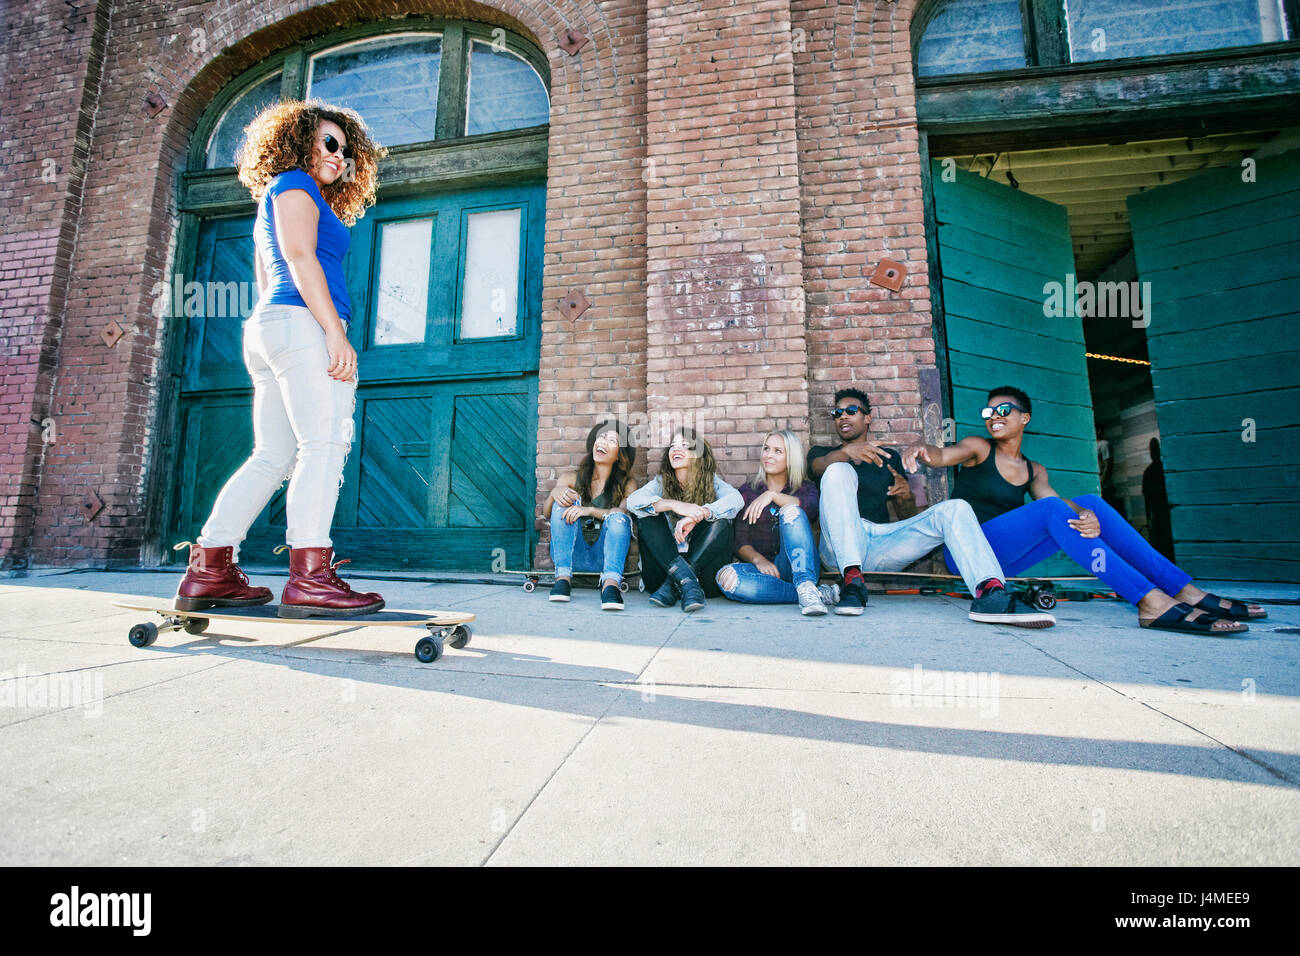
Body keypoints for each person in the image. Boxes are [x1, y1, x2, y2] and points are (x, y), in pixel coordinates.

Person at [174, 100, 388, 618]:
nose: (340, 155)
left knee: (274, 455)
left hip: (273, 327)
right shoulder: (295, 184)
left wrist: (282, 333)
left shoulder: (281, 194)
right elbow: (298, 259)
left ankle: (210, 570)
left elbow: (269, 276)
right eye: (329, 143)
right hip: (301, 325)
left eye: (347, 149)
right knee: (324, 444)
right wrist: (333, 334)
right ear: (299, 142)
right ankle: (310, 577)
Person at [901, 386, 1263, 635]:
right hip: (964, 555)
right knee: (1052, 510)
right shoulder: (978, 446)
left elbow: (1055, 499)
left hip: (1001, 561)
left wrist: (1087, 516)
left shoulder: (1034, 469)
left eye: (1003, 410)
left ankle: (1184, 591)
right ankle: (1150, 602)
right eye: (988, 411)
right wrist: (922, 449)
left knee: (1090, 504)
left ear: (1024, 418)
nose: (993, 416)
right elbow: (942, 455)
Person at [808, 388, 1054, 626]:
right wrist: (847, 453)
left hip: (880, 546)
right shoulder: (822, 453)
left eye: (850, 410)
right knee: (838, 470)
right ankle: (852, 582)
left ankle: (990, 593)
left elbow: (907, 515)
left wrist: (905, 496)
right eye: (837, 413)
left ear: (867, 417)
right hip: (838, 550)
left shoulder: (888, 458)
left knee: (955, 508)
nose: (842, 417)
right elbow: (821, 467)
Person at [716, 430, 839, 616]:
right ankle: (815, 594)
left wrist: (772, 495)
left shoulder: (806, 488)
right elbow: (740, 541)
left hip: (799, 565)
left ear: (792, 458)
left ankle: (805, 583)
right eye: (766, 449)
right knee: (727, 578)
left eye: (777, 451)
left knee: (791, 511)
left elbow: (811, 509)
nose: (768, 455)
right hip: (766, 573)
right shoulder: (748, 492)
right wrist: (759, 560)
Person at [628, 428, 742, 612]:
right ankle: (685, 582)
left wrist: (702, 513)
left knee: (721, 519)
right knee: (647, 515)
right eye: (673, 446)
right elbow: (632, 502)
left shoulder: (711, 482)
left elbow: (737, 500)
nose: (675, 449)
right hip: (660, 575)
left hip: (704, 579)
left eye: (684, 446)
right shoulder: (661, 483)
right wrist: (673, 505)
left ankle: (679, 582)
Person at [537, 420, 636, 610]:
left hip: (605, 558)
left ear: (619, 455)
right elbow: (548, 513)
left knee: (618, 518)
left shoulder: (627, 483)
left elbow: (622, 514)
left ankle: (610, 587)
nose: (603, 442)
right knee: (562, 503)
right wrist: (553, 495)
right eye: (601, 437)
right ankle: (562, 580)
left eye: (612, 441)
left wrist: (589, 510)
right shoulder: (570, 477)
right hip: (572, 556)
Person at [1143, 436, 1174, 561]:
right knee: (1161, 542)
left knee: (1165, 541)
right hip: (1158, 512)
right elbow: (1146, 495)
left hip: (1163, 511)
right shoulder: (1152, 470)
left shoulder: (1156, 470)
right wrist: (1148, 516)